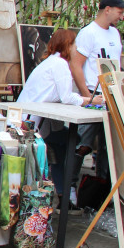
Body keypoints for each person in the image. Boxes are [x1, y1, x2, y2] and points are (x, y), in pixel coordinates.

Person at [15, 29, 102, 193]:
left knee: (65, 144)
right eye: (74, 44)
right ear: (68, 46)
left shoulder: (50, 62)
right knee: (71, 141)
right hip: (30, 124)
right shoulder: (60, 64)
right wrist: (91, 100)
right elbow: (67, 97)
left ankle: (63, 192)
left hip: (32, 120)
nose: (76, 48)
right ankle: (63, 192)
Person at [69, 0, 124, 172]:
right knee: (82, 143)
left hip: (112, 94)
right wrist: (87, 96)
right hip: (94, 92)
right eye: (119, 12)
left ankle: (102, 187)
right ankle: (70, 186)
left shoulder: (115, 33)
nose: (122, 16)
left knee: (109, 145)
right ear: (107, 10)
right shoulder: (88, 33)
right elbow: (76, 65)